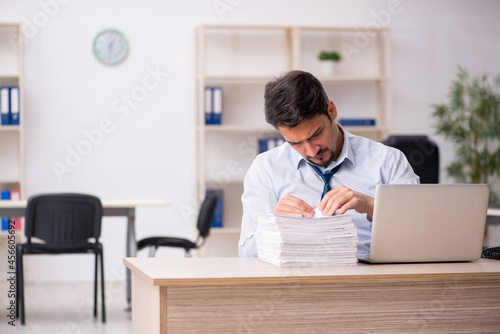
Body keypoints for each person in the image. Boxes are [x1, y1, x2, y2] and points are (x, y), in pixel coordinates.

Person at [238, 70, 419, 259]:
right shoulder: (266, 168)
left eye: (316, 134)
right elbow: (246, 254)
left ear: (332, 110)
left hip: (368, 279)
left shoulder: (388, 161)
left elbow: (419, 235)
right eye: (295, 143)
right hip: (297, 280)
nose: (311, 151)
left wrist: (372, 206)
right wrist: (274, 225)